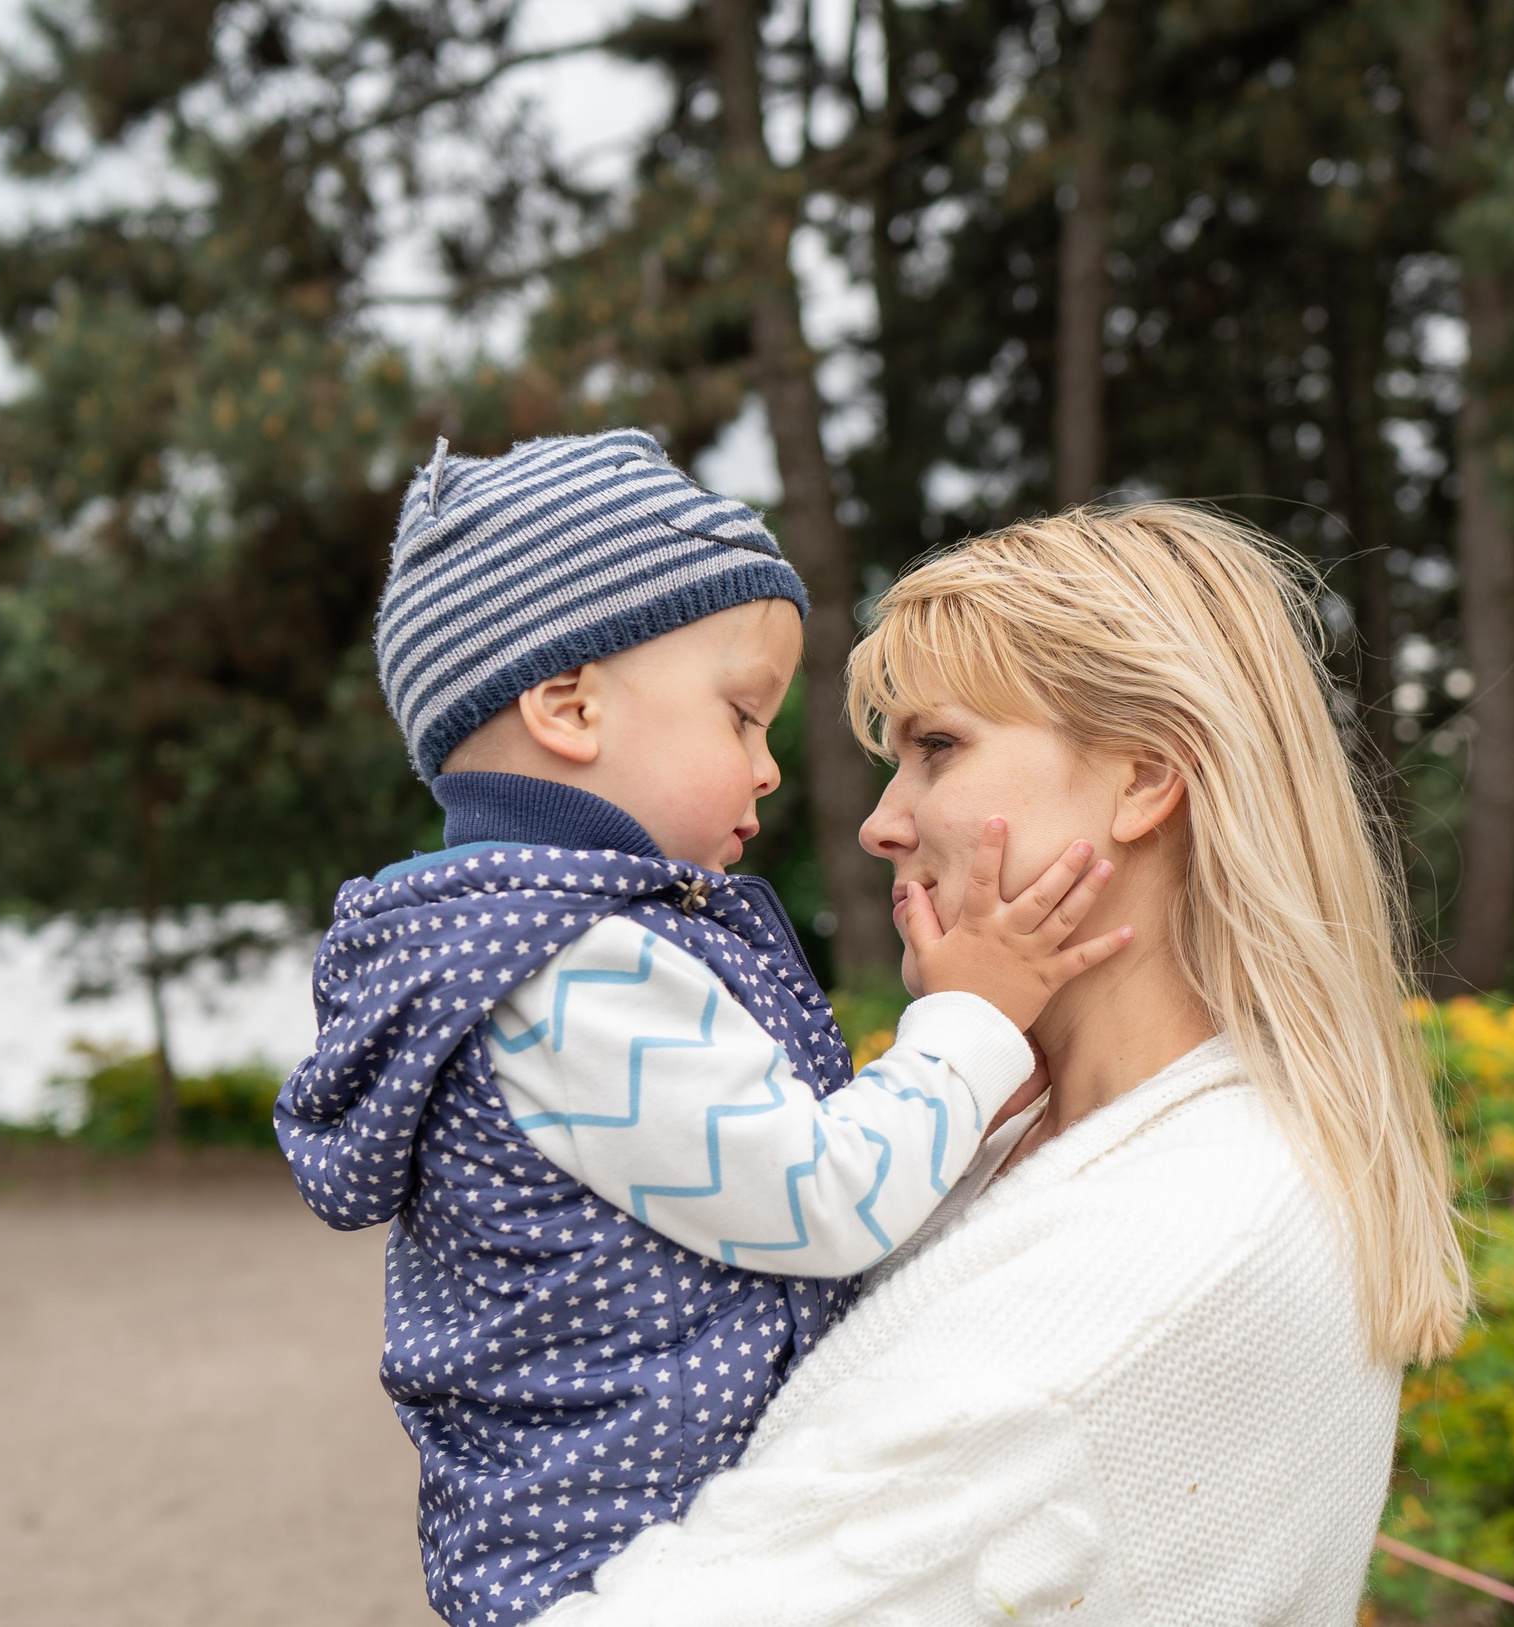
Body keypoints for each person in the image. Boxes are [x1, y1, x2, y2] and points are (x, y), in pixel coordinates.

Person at [542, 503, 1472, 1626]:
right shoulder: (1026, 1136)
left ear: (1144, 778)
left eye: (937, 747)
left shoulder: (1180, 1239)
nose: (881, 824)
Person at [272, 430, 1132, 1627]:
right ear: (570, 706)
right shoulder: (576, 976)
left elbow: (762, 1193)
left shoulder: (547, 947)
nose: (767, 769)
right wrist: (971, 1022)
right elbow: (822, 1200)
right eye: (741, 718)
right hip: (623, 1563)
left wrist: (975, 1099)